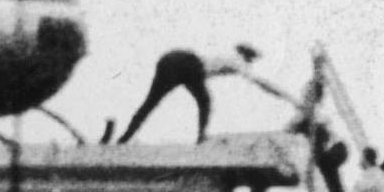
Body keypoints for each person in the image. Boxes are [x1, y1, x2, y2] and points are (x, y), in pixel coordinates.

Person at [118, 43, 290, 144]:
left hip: (169, 60)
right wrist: (285, 96)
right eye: (251, 60)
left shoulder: (226, 56)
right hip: (190, 65)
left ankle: (125, 137)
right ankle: (201, 136)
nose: (251, 64)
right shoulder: (239, 62)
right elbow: (260, 83)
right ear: (247, 57)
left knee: (150, 102)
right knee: (205, 101)